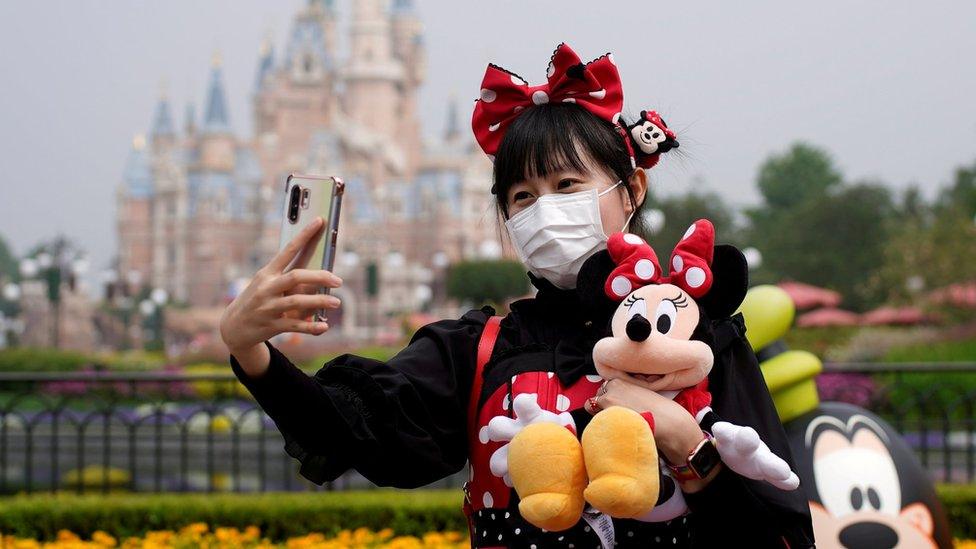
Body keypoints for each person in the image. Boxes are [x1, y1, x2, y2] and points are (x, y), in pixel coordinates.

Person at [221, 43, 814, 548]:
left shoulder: (698, 340)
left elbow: (780, 536)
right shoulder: (478, 353)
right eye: (522, 198)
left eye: (566, 185)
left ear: (631, 189)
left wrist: (688, 445)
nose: (544, 211)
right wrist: (251, 350)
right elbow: (350, 431)